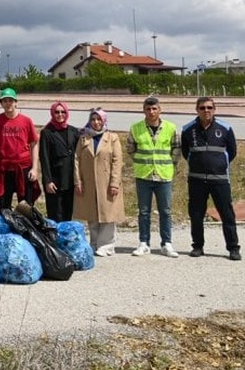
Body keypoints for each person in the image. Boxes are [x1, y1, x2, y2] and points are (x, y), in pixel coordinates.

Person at [181, 97, 241, 260]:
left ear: (214, 109)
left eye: (209, 107)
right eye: (202, 108)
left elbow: (232, 152)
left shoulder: (225, 128)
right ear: (197, 110)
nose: (206, 110)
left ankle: (233, 248)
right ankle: (198, 246)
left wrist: (218, 165)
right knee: (196, 214)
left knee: (227, 214)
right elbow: (186, 152)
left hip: (219, 179)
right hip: (196, 180)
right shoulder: (188, 129)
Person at [126, 96, 181, 258]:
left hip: (163, 175)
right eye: (148, 109)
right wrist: (141, 162)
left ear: (160, 110)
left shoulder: (170, 128)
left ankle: (166, 243)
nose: (151, 112)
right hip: (144, 174)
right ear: (144, 110)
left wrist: (171, 164)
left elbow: (176, 148)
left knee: (165, 211)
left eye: (154, 108)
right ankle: (144, 243)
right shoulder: (136, 128)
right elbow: (130, 148)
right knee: (144, 211)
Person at [73, 108, 123, 257]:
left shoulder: (112, 137)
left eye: (99, 119)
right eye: (93, 119)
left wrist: (114, 182)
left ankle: (106, 245)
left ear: (104, 121)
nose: (96, 122)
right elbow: (76, 159)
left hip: (107, 181)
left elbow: (117, 160)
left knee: (108, 214)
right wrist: (78, 181)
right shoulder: (84, 138)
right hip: (89, 181)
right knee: (92, 213)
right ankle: (94, 242)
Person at [0, 88, 40, 211]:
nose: (8, 104)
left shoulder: (26, 121)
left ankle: (25, 226)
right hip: (4, 166)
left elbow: (34, 144)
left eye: (10, 100)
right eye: (5, 101)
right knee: (3, 202)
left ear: (16, 102)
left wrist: (34, 168)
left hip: (23, 166)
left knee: (26, 203)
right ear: (1, 103)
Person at [39, 101, 80, 222]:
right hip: (55, 179)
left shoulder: (73, 131)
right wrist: (48, 181)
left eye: (63, 112)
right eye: (57, 112)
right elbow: (44, 157)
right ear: (52, 113)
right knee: (55, 212)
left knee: (68, 211)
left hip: (69, 177)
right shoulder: (47, 132)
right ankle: (55, 238)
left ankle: (66, 237)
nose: (60, 114)